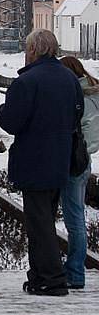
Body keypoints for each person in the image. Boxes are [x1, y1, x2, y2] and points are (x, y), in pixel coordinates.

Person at [0, 29, 82, 297]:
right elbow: (76, 115)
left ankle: (51, 279)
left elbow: (10, 121)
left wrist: (2, 110)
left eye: (26, 48)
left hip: (34, 160)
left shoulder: (27, 82)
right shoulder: (70, 78)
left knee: (39, 223)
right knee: (46, 218)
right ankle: (39, 276)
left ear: (33, 50)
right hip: (61, 159)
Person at [60, 56, 99, 290]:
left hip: (74, 159)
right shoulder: (93, 90)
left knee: (74, 220)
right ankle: (74, 269)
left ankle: (75, 273)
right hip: (86, 159)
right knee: (76, 216)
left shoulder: (77, 96)